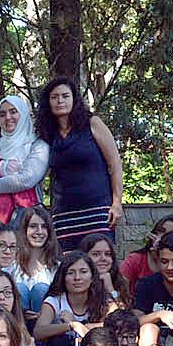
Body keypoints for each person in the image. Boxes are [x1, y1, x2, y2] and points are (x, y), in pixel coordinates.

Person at [40, 76, 123, 246]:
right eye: (54, 97)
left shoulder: (92, 123)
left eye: (65, 96)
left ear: (74, 99)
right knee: (69, 266)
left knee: (100, 263)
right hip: (64, 214)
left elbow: (114, 164)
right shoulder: (47, 134)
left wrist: (117, 203)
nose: (60, 101)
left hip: (98, 210)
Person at [0, 94, 49, 227]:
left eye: (13, 112)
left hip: (28, 217)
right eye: (2, 114)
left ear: (24, 114)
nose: (8, 117)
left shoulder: (38, 145)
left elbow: (26, 180)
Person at [33, 250, 110, 346]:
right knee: (59, 342)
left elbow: (117, 324)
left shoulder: (103, 299)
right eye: (71, 273)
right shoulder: (54, 301)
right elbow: (38, 332)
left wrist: (82, 326)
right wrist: (70, 326)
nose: (77, 278)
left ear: (92, 277)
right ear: (63, 278)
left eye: (83, 272)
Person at [11, 205, 60, 316]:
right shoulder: (13, 268)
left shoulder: (58, 268)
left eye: (43, 227)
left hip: (47, 324)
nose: (39, 231)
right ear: (25, 230)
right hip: (19, 324)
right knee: (20, 289)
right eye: (33, 226)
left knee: (41, 289)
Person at [120, 215, 173, 289]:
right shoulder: (136, 259)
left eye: (169, 234)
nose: (161, 237)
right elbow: (119, 290)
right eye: (160, 231)